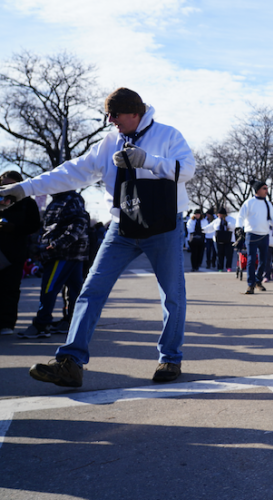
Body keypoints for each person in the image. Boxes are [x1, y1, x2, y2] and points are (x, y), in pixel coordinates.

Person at [0, 88, 195, 387]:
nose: (110, 120)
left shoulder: (168, 135)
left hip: (163, 226)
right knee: (91, 290)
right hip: (122, 227)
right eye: (108, 114)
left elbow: (187, 169)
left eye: (115, 115)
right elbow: (73, 172)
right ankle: (70, 361)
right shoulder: (109, 143)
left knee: (172, 295)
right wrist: (24, 188)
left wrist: (149, 160)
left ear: (135, 113)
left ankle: (170, 358)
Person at [18, 190, 89, 339]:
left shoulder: (70, 199)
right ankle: (71, 321)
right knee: (75, 290)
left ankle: (42, 324)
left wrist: (58, 244)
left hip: (62, 253)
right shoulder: (61, 199)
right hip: (68, 252)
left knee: (49, 288)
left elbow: (79, 223)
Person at [0, 170, 43, 336]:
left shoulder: (27, 203)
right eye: (2, 185)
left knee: (10, 288)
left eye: (9, 185)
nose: (5, 188)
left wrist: (14, 228)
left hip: (15, 253)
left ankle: (6, 324)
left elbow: (33, 226)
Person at [238, 180, 273, 294]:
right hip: (251, 234)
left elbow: (272, 220)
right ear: (257, 190)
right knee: (251, 259)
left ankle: (258, 280)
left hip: (264, 235)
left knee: (264, 261)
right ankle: (250, 285)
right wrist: (239, 228)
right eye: (264, 188)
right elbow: (240, 216)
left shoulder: (268, 204)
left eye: (267, 188)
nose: (266, 191)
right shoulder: (249, 202)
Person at [209, 207, 236, 272]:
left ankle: (228, 267)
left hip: (229, 239)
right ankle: (220, 267)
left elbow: (234, 226)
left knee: (228, 254)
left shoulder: (231, 219)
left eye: (220, 214)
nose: (219, 215)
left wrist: (227, 224)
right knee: (219, 254)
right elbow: (210, 227)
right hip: (218, 239)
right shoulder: (216, 220)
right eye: (218, 214)